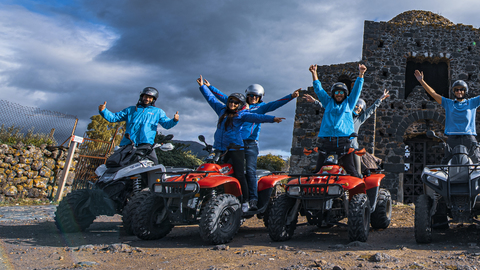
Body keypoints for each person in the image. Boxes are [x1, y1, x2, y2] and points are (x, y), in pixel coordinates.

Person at [203, 80, 300, 211]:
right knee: (226, 170)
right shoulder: (239, 106)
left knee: (249, 171)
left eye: (256, 96)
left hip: (250, 143)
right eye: (251, 95)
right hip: (232, 145)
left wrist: (290, 96)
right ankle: (223, 198)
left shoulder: (261, 108)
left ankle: (252, 199)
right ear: (247, 95)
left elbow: (275, 104)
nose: (253, 98)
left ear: (260, 97)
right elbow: (222, 97)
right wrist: (209, 87)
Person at [414, 66, 480, 163]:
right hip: (453, 138)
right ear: (454, 92)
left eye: (461, 89)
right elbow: (434, 94)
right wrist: (422, 81)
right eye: (456, 90)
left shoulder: (472, 103)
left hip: (469, 137)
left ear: (465, 91)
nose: (459, 91)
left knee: (478, 163)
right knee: (446, 165)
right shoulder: (448, 103)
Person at [310, 63, 367, 177]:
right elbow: (319, 90)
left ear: (345, 93)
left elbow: (356, 90)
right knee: (318, 170)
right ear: (333, 93)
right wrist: (314, 74)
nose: (339, 94)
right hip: (327, 141)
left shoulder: (349, 104)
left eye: (341, 92)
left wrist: (361, 74)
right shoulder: (328, 102)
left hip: (343, 142)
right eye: (336, 92)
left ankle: (357, 193)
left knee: (351, 170)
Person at [99, 87, 179, 165]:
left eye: (150, 97)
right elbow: (114, 118)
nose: (147, 99)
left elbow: (166, 124)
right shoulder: (131, 110)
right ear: (142, 97)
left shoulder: (157, 112)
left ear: (153, 99)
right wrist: (103, 111)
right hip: (128, 144)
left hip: (146, 145)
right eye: (145, 96)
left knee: (154, 166)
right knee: (121, 166)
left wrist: (174, 120)